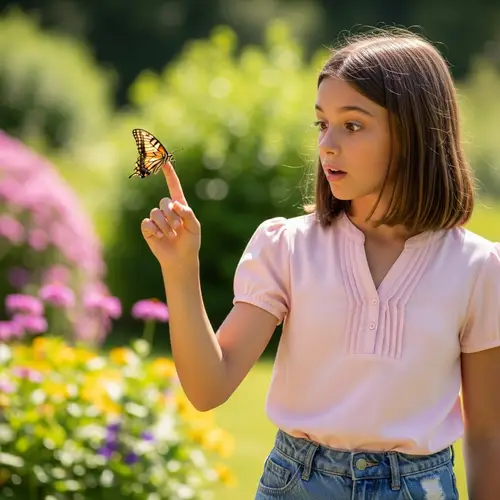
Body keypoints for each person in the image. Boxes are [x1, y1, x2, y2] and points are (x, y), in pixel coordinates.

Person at [140, 27, 500, 500]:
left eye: (352, 125)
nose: (327, 144)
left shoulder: (478, 267)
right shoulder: (287, 246)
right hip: (296, 485)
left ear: (415, 134)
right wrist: (180, 269)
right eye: (321, 124)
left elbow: (488, 435)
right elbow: (209, 388)